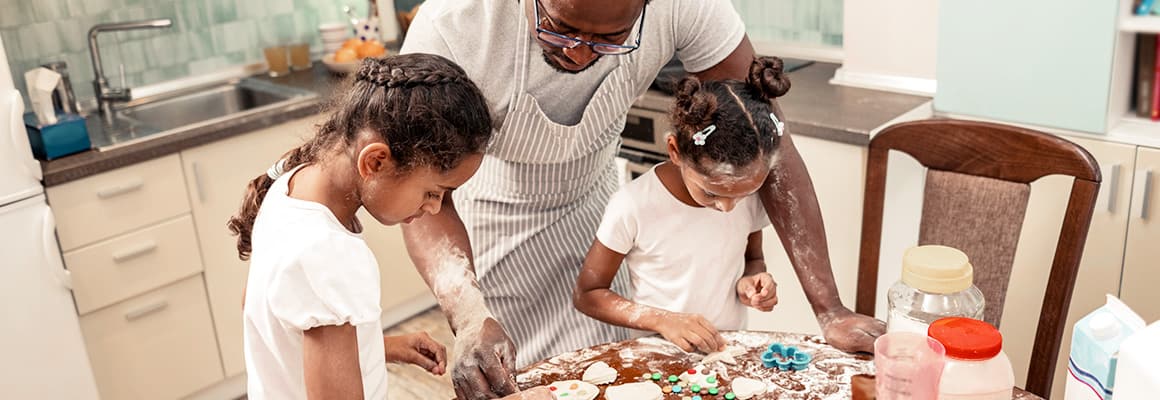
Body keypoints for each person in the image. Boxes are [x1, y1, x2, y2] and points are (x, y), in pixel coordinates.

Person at [400, 0, 888, 398]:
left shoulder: (687, 7)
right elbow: (422, 189)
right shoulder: (454, 26)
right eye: (559, 29)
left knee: (612, 374)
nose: (578, 55)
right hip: (492, 223)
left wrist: (830, 309)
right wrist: (468, 316)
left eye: (610, 40)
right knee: (531, 381)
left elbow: (774, 144)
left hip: (593, 201)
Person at [227, 54, 551, 399]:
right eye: (433, 191)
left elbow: (270, 315)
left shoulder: (290, 186)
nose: (434, 208)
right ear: (376, 160)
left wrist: (374, 345)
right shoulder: (331, 252)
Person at [573, 57, 788, 353]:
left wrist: (751, 280)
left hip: (727, 350)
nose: (728, 207)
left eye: (740, 195)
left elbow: (752, 257)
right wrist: (663, 320)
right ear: (674, 150)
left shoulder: (746, 196)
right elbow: (589, 294)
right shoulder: (633, 205)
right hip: (660, 355)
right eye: (712, 193)